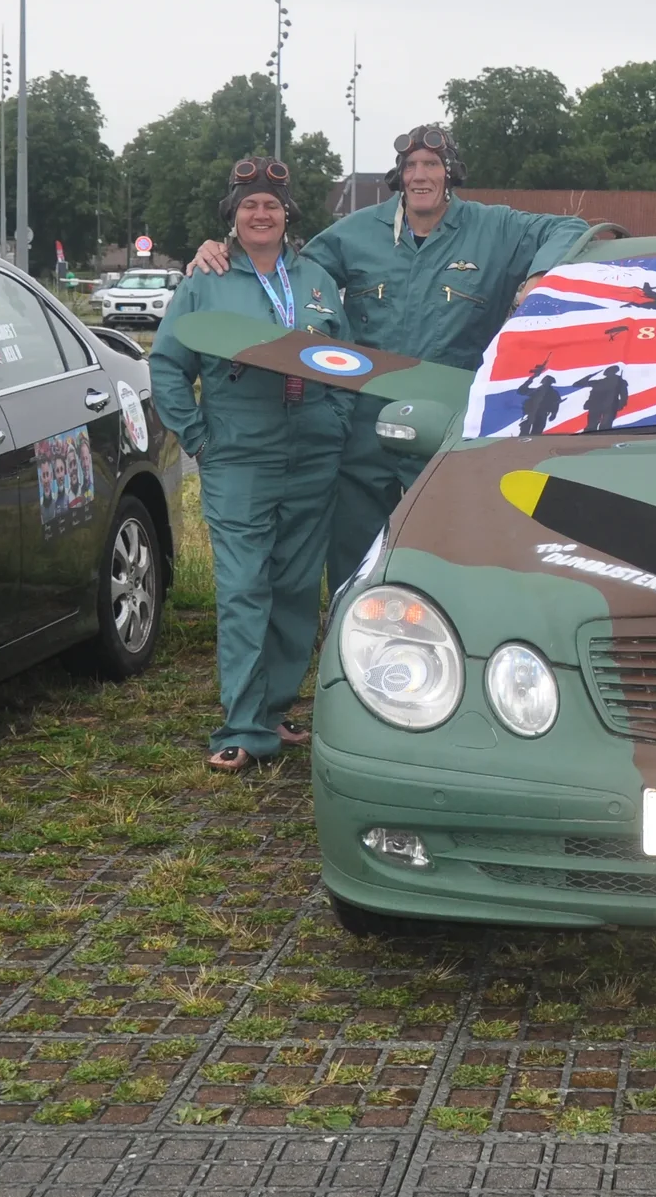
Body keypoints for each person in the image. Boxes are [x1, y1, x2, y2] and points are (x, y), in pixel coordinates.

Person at [190, 125, 588, 589]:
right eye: (411, 167)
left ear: (450, 174)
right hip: (366, 426)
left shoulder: (495, 228)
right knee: (356, 554)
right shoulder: (356, 233)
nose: (421, 176)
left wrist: (539, 276)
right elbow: (285, 270)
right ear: (399, 177)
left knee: (453, 548)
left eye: (432, 166)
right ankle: (350, 633)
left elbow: (570, 228)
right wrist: (225, 248)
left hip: (450, 423)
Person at [152, 157, 351, 773]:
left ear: (287, 214)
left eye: (271, 204)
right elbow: (166, 366)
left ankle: (273, 709)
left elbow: (346, 357)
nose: (260, 213)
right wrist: (199, 438)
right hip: (239, 454)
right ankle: (240, 726)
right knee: (243, 587)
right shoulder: (205, 279)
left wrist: (337, 423)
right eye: (248, 205)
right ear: (231, 217)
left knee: (295, 587)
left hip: (312, 451)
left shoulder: (315, 279)